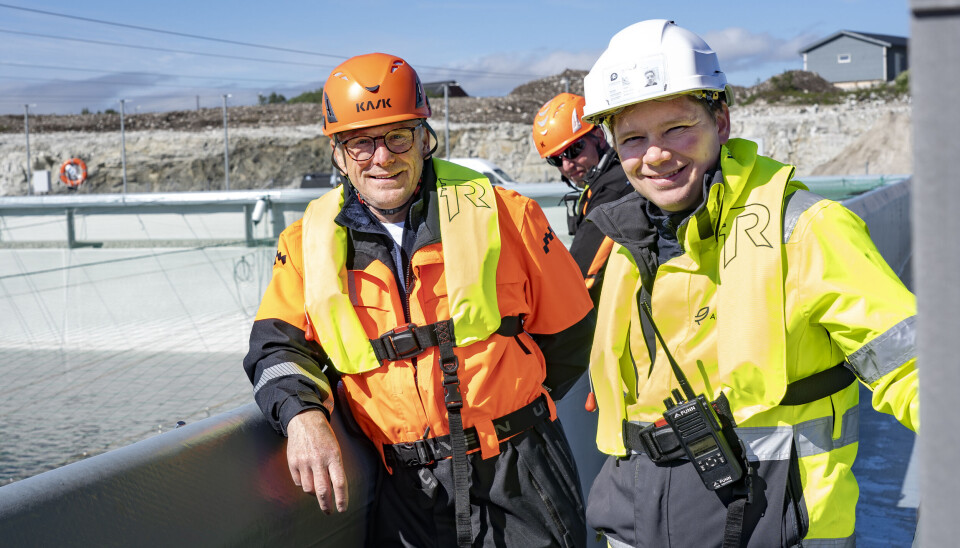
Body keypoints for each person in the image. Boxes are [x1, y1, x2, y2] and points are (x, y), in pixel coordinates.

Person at [580, 20, 918, 548]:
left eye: (677, 129)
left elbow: (913, 366)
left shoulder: (803, 229)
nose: (656, 155)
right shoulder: (627, 242)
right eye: (633, 139)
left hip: (776, 524)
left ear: (722, 121)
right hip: (638, 520)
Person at [243, 52, 595, 548]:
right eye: (360, 143)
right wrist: (302, 415)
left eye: (397, 136)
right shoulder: (304, 245)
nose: (381, 157)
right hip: (408, 489)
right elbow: (275, 348)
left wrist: (510, 411)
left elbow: (571, 332)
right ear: (338, 154)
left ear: (423, 138)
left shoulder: (506, 213)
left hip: (521, 473)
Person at [532, 92, 633, 303]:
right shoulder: (605, 180)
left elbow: (579, 277)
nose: (567, 165)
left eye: (574, 150)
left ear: (598, 134)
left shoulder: (613, 190)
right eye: (555, 160)